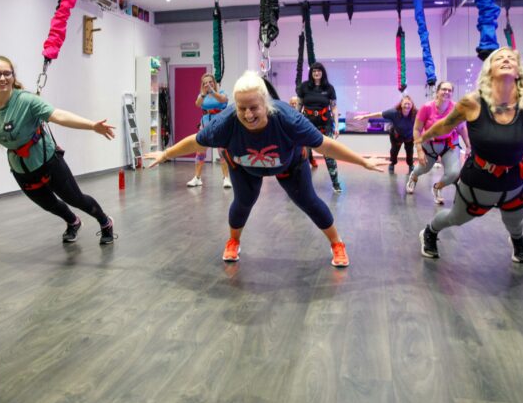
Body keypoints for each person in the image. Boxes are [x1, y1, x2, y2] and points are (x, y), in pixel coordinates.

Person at [145, 71, 386, 267]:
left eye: (254, 108)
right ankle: (233, 241)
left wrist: (363, 162)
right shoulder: (225, 122)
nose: (248, 115)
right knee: (243, 202)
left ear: (266, 103)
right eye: (242, 109)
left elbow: (326, 145)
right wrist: (166, 154)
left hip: (289, 165)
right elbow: (196, 141)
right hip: (244, 167)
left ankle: (337, 243)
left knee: (309, 201)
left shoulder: (287, 118)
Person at [416, 48, 523, 263]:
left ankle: (517, 240)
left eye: (511, 58)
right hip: (479, 178)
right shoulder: (472, 103)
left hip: (514, 180)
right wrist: (421, 138)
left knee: (515, 222)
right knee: (457, 217)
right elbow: (444, 125)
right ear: (489, 71)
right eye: (499, 58)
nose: (506, 59)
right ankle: (430, 231)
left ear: (519, 71)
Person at [0, 56, 116, 245]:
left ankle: (105, 222)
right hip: (20, 168)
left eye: (7, 73)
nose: (2, 78)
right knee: (48, 204)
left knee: (75, 198)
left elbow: (58, 115)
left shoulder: (27, 100)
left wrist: (92, 126)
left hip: (47, 160)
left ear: (13, 77)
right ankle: (73, 221)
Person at [407, 81, 471, 204]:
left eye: (449, 90)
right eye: (444, 89)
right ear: (437, 92)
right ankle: (413, 177)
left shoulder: (457, 108)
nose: (447, 92)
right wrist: (419, 151)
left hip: (450, 144)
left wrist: (468, 146)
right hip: (430, 144)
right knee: (423, 169)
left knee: (454, 173)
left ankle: (437, 188)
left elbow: (462, 128)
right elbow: (416, 129)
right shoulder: (426, 108)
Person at [296, 62, 342, 192]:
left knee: (329, 154)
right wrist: (294, 123)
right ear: (311, 73)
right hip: (307, 125)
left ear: (323, 73)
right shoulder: (304, 87)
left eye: (319, 71)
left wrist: (337, 126)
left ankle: (335, 183)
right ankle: (298, 184)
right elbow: (298, 107)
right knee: (302, 154)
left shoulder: (329, 88)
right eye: (314, 71)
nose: (316, 73)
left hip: (325, 125)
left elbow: (333, 107)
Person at [186, 73, 232, 189]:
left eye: (210, 82)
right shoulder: (202, 95)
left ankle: (226, 178)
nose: (208, 84)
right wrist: (203, 93)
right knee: (200, 151)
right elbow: (197, 104)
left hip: (219, 125)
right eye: (205, 83)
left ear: (214, 83)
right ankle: (197, 178)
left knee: (222, 152)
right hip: (205, 125)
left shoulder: (221, 93)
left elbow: (223, 100)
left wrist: (211, 91)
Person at [354, 95, 417, 174]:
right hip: (396, 135)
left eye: (409, 104)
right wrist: (365, 116)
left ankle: (411, 164)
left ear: (412, 105)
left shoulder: (415, 113)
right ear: (401, 104)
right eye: (405, 104)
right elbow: (379, 114)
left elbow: (424, 120)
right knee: (394, 151)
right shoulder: (394, 112)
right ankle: (392, 163)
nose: (407, 106)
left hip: (409, 136)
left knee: (410, 151)